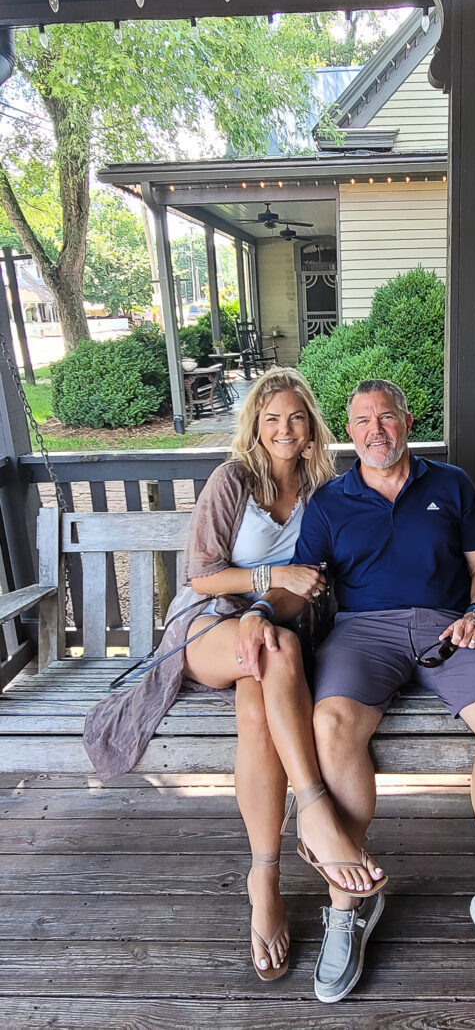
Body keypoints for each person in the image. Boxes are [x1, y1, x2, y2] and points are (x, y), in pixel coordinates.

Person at [84, 368, 387, 983]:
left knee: (259, 705)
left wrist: (472, 513)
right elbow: (199, 577)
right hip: (207, 625)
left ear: (311, 427)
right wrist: (259, 593)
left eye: (296, 418)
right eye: (272, 418)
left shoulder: (322, 486)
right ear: (255, 423)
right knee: (271, 651)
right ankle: (315, 810)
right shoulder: (233, 481)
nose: (284, 429)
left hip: (278, 629)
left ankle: (265, 876)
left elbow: (318, 576)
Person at [253, 379, 475, 1006]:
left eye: (386, 417)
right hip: (364, 633)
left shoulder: (451, 485)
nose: (375, 430)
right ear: (348, 432)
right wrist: (258, 610)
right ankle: (349, 903)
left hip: (450, 626)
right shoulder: (330, 501)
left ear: (408, 421)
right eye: (362, 421)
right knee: (329, 723)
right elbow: (303, 582)